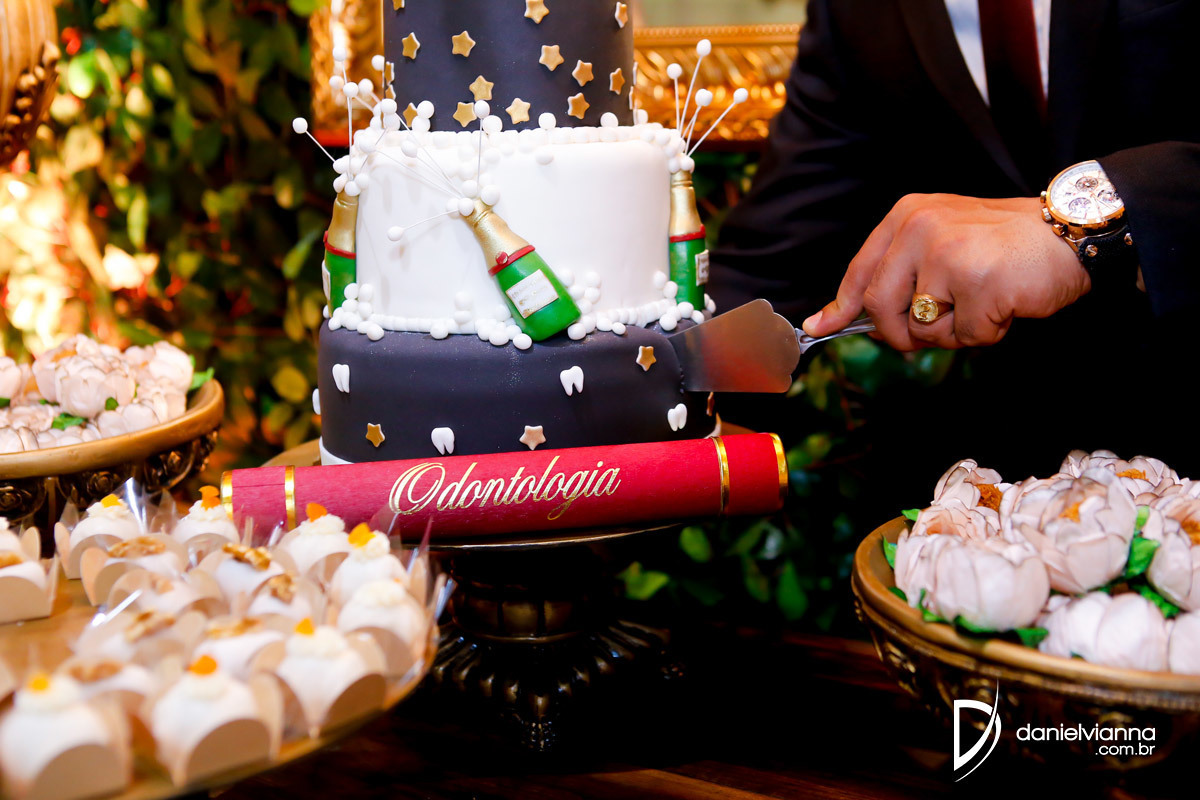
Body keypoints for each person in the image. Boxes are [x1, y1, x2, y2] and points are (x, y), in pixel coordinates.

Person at [710, 0, 1200, 507]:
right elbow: (773, 259)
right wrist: (665, 378)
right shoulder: (855, 12)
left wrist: (1091, 222)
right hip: (991, 485)